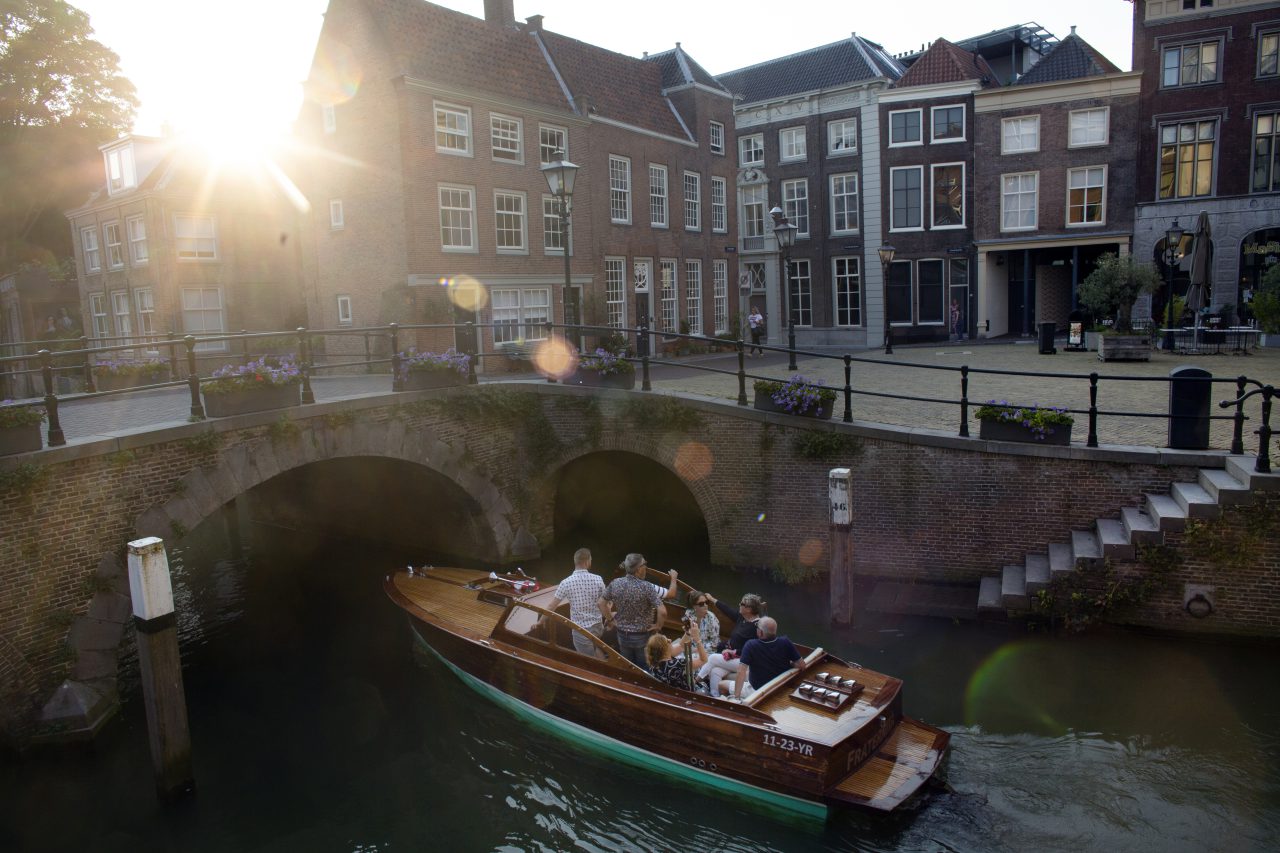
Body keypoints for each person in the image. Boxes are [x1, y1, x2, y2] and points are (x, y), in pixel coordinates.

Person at [598, 553, 668, 669]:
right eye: (645, 564)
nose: (646, 567)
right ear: (639, 569)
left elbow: (601, 603)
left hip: (622, 634)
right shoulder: (647, 587)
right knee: (644, 667)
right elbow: (663, 612)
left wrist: (610, 619)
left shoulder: (615, 583)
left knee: (627, 665)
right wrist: (658, 626)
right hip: (642, 636)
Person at [541, 547, 606, 658]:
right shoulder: (598, 579)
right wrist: (609, 618)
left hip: (581, 631)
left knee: (588, 660)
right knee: (594, 648)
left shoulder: (566, 583)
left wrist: (541, 621)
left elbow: (552, 606)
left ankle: (598, 673)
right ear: (587, 562)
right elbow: (604, 602)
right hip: (598, 627)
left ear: (575, 561)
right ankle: (605, 668)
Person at [697, 592, 764, 697]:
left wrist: (733, 652)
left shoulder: (757, 627)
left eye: (742, 604)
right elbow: (727, 609)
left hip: (745, 662)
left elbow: (755, 651)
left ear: (749, 609)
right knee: (716, 671)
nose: (739, 605)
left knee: (713, 658)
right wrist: (712, 599)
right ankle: (715, 697)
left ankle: (694, 681)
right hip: (732, 658)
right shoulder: (742, 618)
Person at [731, 616, 805, 701]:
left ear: (761, 632)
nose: (756, 629)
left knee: (722, 685)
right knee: (723, 671)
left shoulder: (751, 645)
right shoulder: (785, 642)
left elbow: (741, 671)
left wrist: (736, 698)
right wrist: (790, 664)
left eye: (757, 628)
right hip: (779, 686)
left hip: (758, 691)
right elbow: (802, 665)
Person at [645, 620, 708, 691]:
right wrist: (697, 638)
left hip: (672, 695)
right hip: (690, 696)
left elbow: (681, 646)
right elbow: (703, 660)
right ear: (664, 649)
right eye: (668, 641)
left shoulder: (654, 665)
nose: (670, 640)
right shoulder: (679, 664)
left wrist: (688, 633)